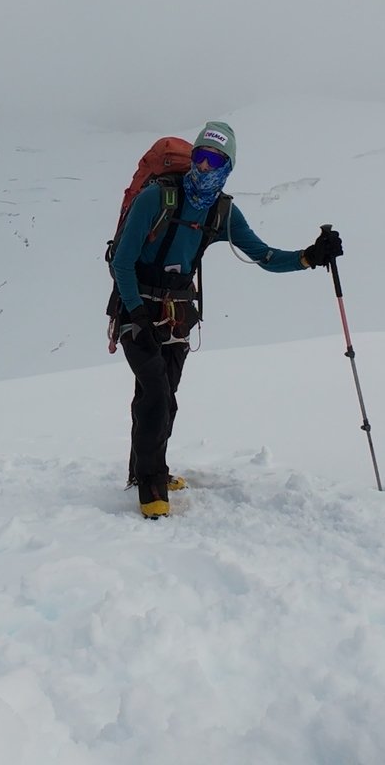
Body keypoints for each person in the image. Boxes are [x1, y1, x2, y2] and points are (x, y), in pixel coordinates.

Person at [109, 121, 343, 519]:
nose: (204, 167)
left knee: (162, 395)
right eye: (200, 157)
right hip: (136, 310)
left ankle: (143, 468)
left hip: (176, 317)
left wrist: (309, 257)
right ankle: (151, 485)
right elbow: (122, 261)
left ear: (227, 167)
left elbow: (264, 256)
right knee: (156, 395)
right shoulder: (155, 199)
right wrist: (136, 312)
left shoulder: (222, 212)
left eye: (214, 161)